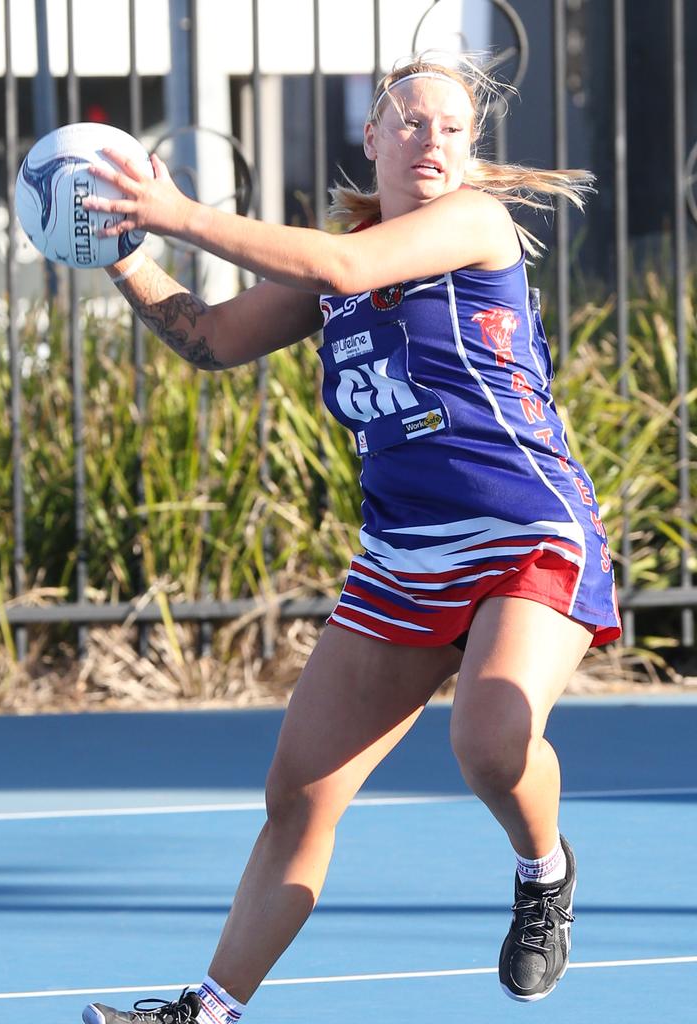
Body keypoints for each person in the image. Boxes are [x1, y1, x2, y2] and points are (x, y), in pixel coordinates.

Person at [79, 53, 621, 1018]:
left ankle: (544, 873)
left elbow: (344, 262)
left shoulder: (471, 225)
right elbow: (209, 337)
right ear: (372, 139)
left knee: (490, 740)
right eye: (412, 123)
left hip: (525, 527)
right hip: (406, 552)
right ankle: (208, 1010)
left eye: (454, 129)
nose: (433, 141)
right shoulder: (338, 275)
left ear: (470, 152)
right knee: (300, 792)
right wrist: (116, 244)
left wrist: (182, 212)